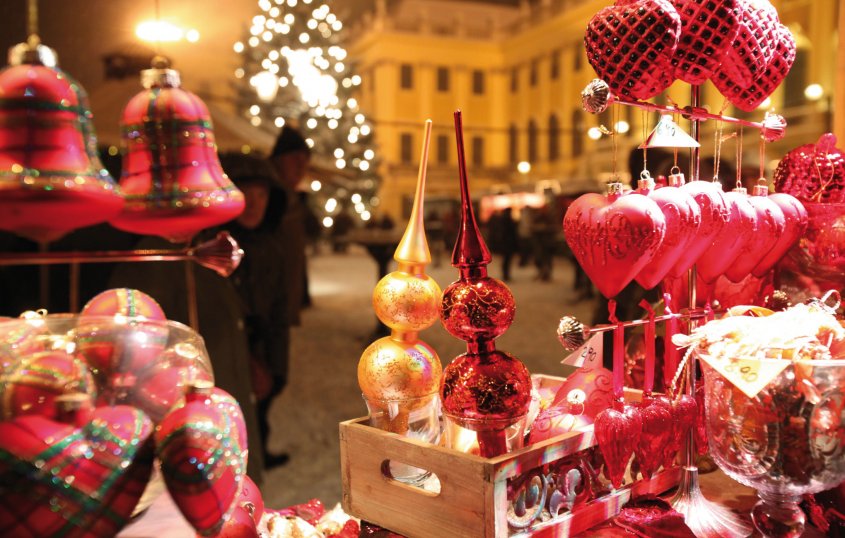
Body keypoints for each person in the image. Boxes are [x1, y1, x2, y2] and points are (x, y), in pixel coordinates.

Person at [219, 152, 292, 469]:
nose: (254, 203)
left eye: (261, 195)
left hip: (267, 341)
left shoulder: (273, 245)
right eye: (245, 193)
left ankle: (258, 454)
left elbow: (279, 302)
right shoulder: (216, 248)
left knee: (263, 404)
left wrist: (276, 364)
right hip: (231, 346)